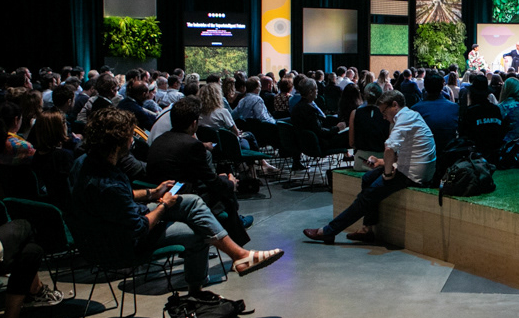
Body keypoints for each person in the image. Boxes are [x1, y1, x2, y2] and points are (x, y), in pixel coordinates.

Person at [71, 108, 282, 297]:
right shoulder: (107, 184)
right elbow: (139, 228)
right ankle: (197, 290)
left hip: (110, 227)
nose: (132, 140)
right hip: (120, 244)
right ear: (117, 141)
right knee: (198, 231)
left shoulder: (85, 163)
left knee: (191, 201)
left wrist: (152, 193)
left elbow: (118, 198)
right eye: (130, 135)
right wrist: (164, 205)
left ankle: (240, 256)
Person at [303, 91, 436, 244]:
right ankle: (367, 229)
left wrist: (387, 174)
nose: (383, 117)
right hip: (413, 169)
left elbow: (389, 148)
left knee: (367, 196)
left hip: (412, 175)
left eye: (384, 112)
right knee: (367, 178)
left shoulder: (404, 118)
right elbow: (406, 153)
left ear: (394, 105)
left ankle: (329, 231)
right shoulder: (410, 116)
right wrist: (381, 162)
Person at [146, 96, 255, 250]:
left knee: (222, 185)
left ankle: (236, 236)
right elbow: (210, 182)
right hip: (181, 197)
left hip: (162, 193)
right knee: (226, 192)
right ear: (194, 123)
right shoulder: (192, 145)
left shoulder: (159, 140)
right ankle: (239, 241)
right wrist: (229, 182)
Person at [458, 75, 506, 164]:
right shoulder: (495, 109)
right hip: (495, 155)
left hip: (475, 157)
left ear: (472, 94)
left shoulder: (470, 112)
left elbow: (463, 135)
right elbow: (501, 132)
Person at [411, 72, 459, 155]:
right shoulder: (454, 108)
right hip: (450, 153)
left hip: (425, 154)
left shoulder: (415, 109)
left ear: (425, 86)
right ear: (442, 86)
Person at [291, 79, 343, 154]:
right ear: (310, 92)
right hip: (319, 144)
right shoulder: (310, 109)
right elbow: (319, 131)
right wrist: (337, 128)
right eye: (316, 89)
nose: (317, 91)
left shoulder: (296, 107)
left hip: (304, 144)